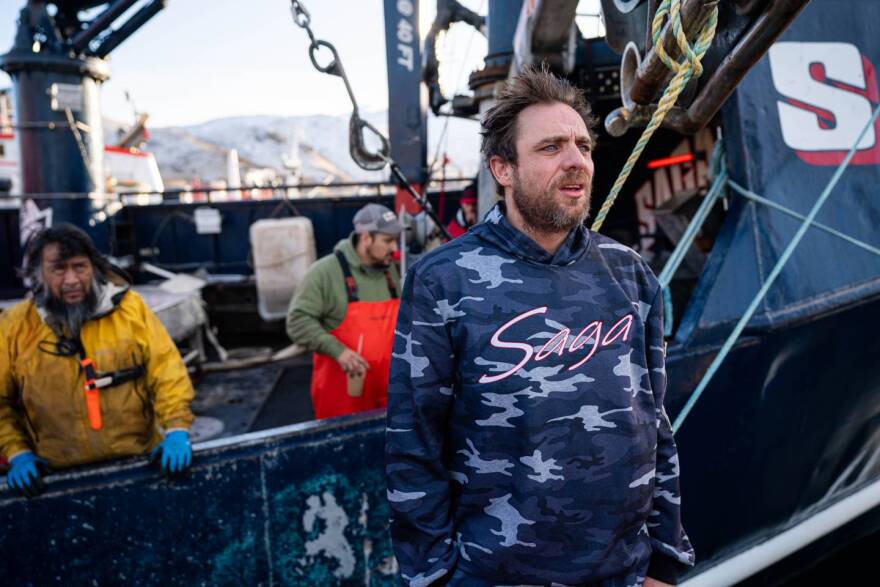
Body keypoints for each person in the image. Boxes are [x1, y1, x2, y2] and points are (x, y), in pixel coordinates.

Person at [386, 65, 695, 586]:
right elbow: (412, 446)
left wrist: (665, 561)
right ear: (503, 169)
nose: (576, 161)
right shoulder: (443, 281)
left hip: (626, 573)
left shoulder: (630, 275)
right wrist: (434, 579)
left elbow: (655, 426)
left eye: (583, 146)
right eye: (551, 147)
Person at [0, 224, 195, 497]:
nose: (71, 280)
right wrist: (16, 452)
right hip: (55, 480)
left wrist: (176, 429)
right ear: (38, 274)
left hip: (139, 466)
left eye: (79, 266)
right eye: (58, 269)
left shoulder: (130, 309)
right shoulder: (15, 326)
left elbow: (167, 372)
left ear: (94, 267)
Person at [286, 203, 403, 420]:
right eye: (388, 241)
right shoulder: (324, 272)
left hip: (388, 394)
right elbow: (297, 321)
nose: (395, 249)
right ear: (366, 237)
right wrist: (339, 351)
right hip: (344, 397)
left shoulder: (389, 273)